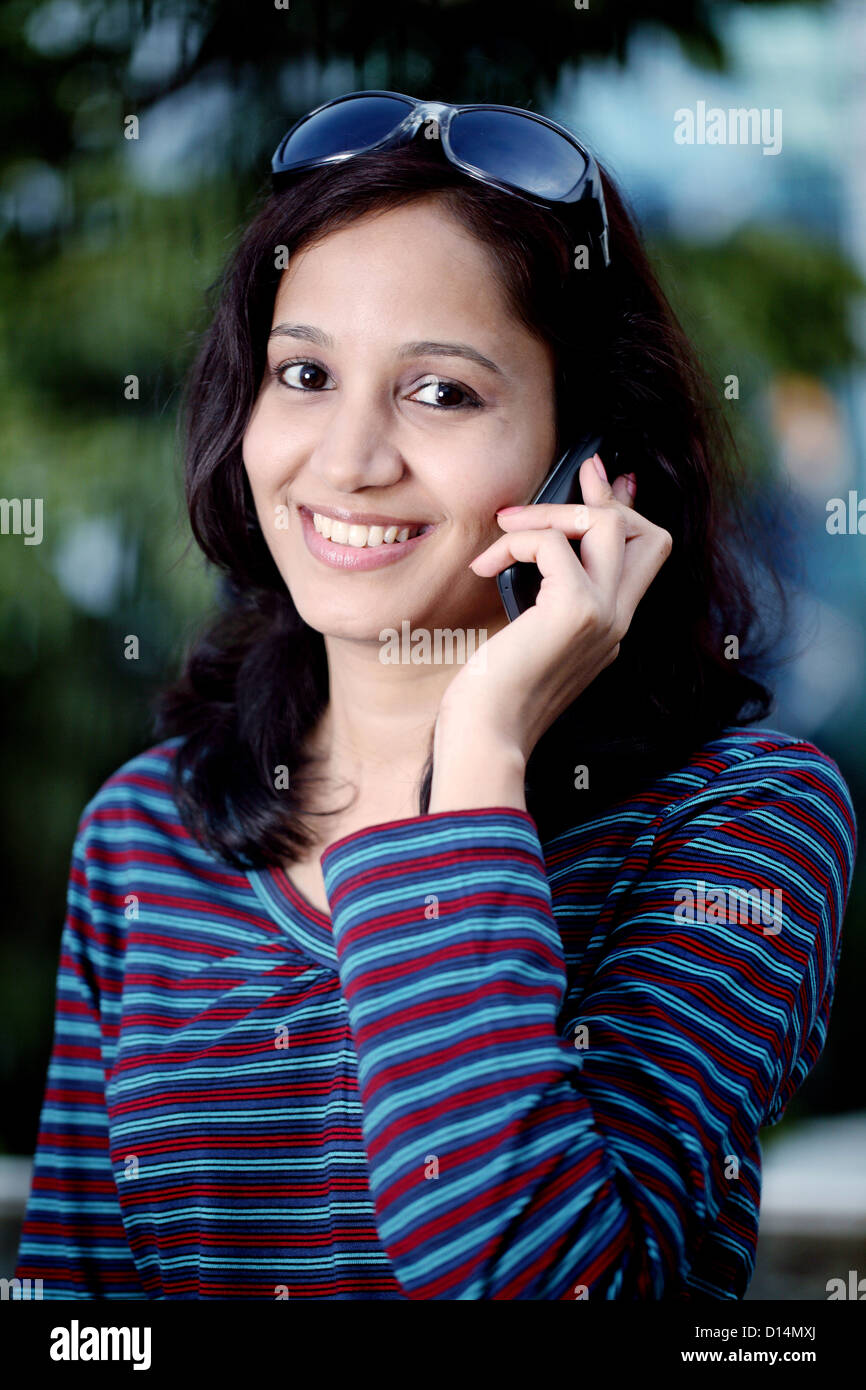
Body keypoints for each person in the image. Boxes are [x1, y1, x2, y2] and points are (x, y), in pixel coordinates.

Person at [15, 92, 856, 1300]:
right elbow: (79, 1313)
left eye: (441, 392)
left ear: (589, 459)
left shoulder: (739, 824)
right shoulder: (148, 829)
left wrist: (477, 753)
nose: (347, 460)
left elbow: (537, 1281)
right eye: (302, 372)